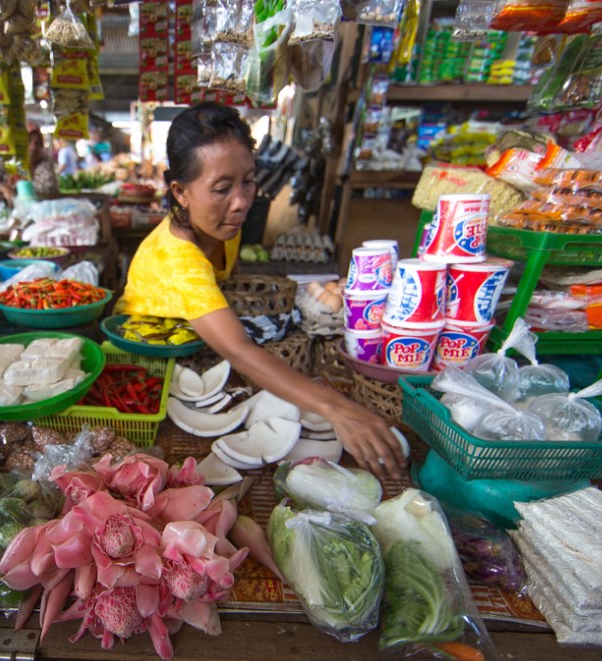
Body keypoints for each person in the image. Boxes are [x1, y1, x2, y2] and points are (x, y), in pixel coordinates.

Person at [116, 102, 404, 478]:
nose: (240, 203)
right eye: (221, 188)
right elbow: (238, 350)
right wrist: (339, 408)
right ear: (180, 192)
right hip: (145, 367)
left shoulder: (218, 225)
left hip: (196, 348)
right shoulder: (175, 260)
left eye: (248, 181)